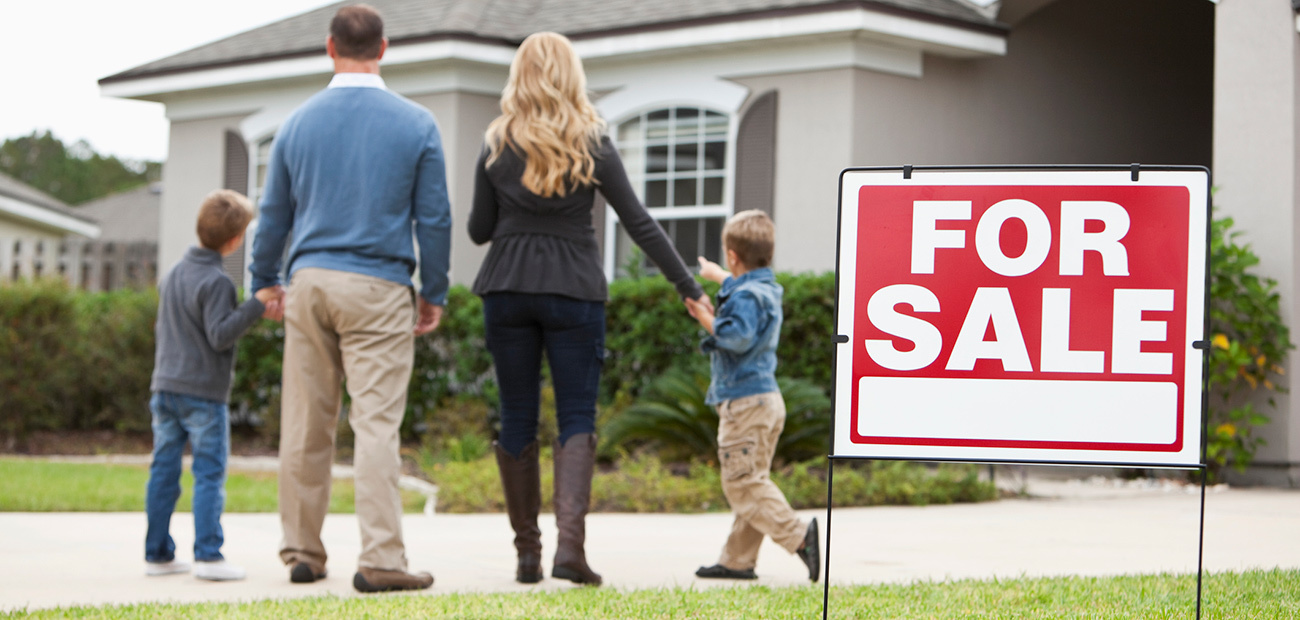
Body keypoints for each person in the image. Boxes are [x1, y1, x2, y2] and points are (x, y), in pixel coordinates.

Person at [468, 31, 711, 587]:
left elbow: (479, 231)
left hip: (506, 286)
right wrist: (688, 288)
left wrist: (515, 215)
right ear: (572, 75)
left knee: (516, 416)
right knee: (577, 416)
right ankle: (568, 551)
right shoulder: (592, 141)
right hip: (574, 289)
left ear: (519, 76)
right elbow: (638, 221)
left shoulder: (496, 143)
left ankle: (527, 555)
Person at [248, 3, 452, 593]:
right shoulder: (416, 123)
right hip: (379, 285)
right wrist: (432, 291)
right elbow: (434, 218)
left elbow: (272, 216)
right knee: (376, 425)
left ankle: (303, 553)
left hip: (309, 282)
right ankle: (382, 558)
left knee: (307, 424)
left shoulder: (297, 123)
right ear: (383, 48)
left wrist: (264, 278)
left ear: (330, 48)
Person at [145, 189, 280, 582]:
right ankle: (208, 554)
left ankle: (157, 554)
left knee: (163, 472)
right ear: (235, 240)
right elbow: (220, 335)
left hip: (164, 388)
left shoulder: (172, 274)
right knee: (208, 473)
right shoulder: (216, 282)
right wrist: (256, 304)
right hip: (202, 394)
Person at [684, 210, 820, 582]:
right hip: (764, 400)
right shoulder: (765, 288)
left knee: (742, 482)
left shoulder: (745, 296)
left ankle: (799, 537)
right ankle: (737, 561)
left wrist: (703, 316)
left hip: (745, 402)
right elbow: (743, 290)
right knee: (752, 477)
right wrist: (720, 276)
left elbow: (735, 338)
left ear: (732, 254)